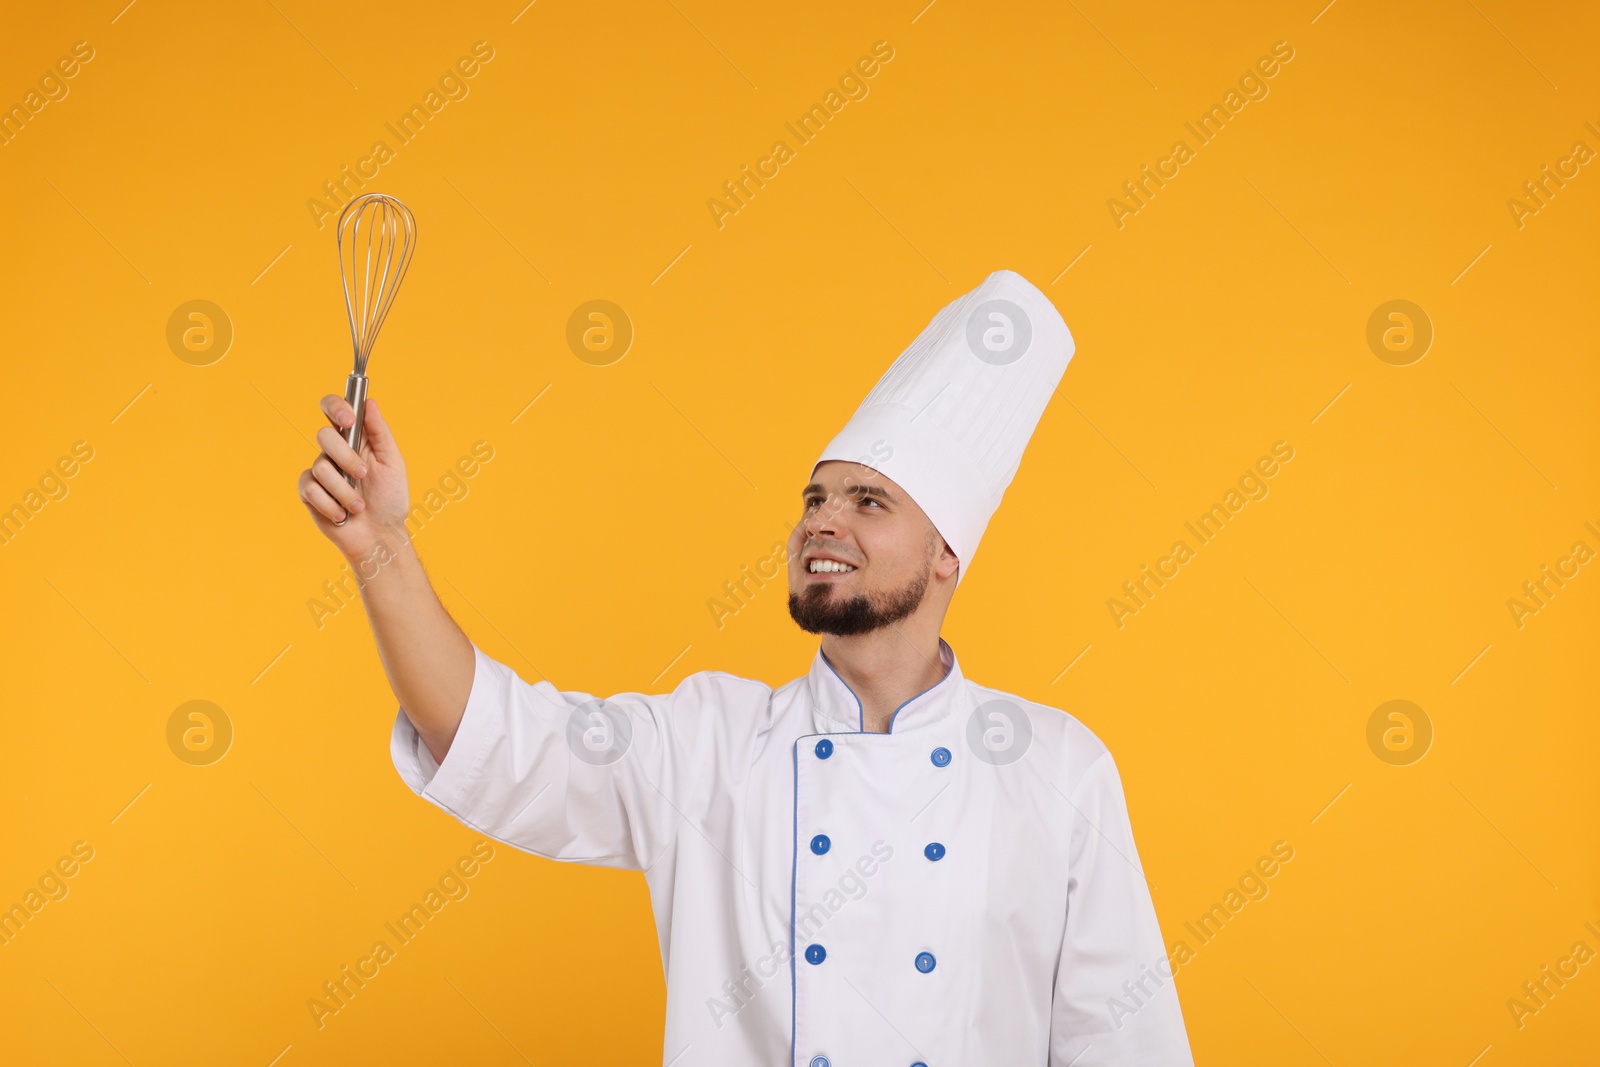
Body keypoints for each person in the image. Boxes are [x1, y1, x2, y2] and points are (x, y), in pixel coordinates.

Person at [297, 269, 1194, 1065]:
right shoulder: (711, 742)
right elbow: (488, 733)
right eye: (814, 497)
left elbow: (1125, 1044)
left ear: (947, 552)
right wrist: (382, 549)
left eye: (867, 500)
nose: (821, 522)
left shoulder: (1058, 767)